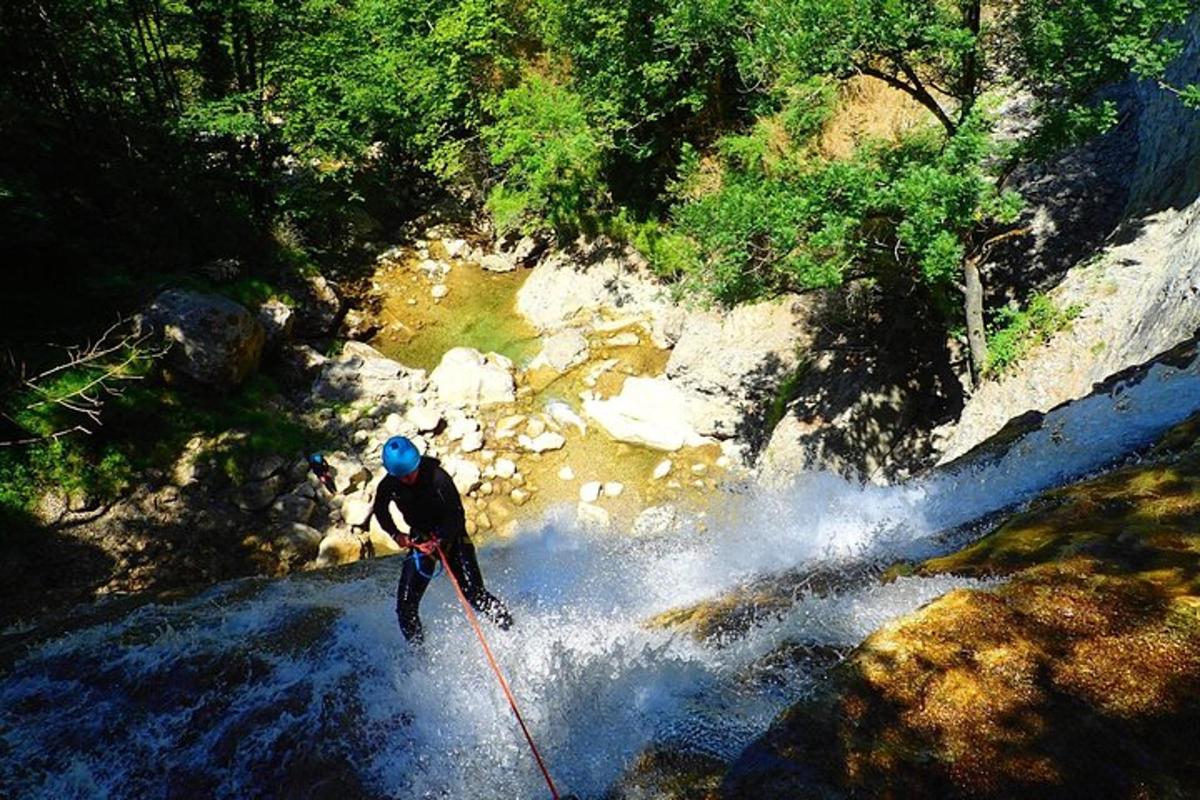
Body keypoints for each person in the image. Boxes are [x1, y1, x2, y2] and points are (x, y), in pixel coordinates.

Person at [372, 435, 512, 643]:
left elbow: (456, 516)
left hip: (453, 538)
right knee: (405, 606)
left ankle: (510, 628)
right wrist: (395, 534)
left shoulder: (438, 478)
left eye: (410, 473)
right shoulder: (390, 484)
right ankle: (419, 653)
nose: (407, 479)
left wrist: (438, 541)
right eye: (402, 476)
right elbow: (380, 510)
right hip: (421, 540)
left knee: (474, 594)